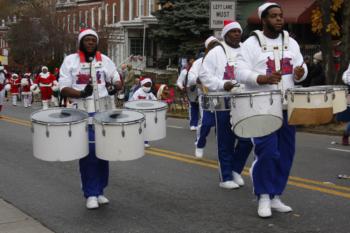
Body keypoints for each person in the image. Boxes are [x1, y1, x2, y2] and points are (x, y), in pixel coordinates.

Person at [235, 2, 307, 218]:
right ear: (263, 19)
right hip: (262, 107)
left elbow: (300, 71)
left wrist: (300, 73)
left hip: (287, 106)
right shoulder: (250, 44)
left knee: (286, 152)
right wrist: (261, 78)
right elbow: (238, 72)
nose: (279, 19)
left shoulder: (291, 43)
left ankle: (276, 195)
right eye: (274, 16)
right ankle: (263, 195)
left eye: (280, 15)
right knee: (267, 152)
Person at [59, 28, 122, 209]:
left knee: (104, 153)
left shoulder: (105, 60)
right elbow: (63, 87)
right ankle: (90, 193)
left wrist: (115, 86)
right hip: (83, 113)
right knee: (89, 154)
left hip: (104, 113)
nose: (90, 43)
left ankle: (100, 190)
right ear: (81, 42)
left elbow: (117, 79)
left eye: (93, 40)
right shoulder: (70, 61)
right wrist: (80, 92)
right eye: (86, 40)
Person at [199, 20, 253, 189]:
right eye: (233, 32)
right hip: (223, 102)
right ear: (225, 35)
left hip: (244, 101)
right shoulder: (216, 52)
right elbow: (204, 76)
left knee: (248, 139)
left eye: (239, 31)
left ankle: (236, 169)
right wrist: (224, 84)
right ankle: (226, 177)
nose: (237, 34)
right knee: (226, 141)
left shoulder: (247, 50)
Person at [194, 36, 219, 158]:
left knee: (222, 127)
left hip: (223, 97)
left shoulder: (224, 58)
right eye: (212, 45)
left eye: (217, 44)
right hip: (207, 97)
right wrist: (199, 80)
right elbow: (192, 78)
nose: (215, 47)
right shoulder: (200, 62)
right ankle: (200, 143)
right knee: (207, 124)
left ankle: (221, 150)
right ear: (207, 48)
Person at [130, 77, 157, 148]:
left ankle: (145, 141)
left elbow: (155, 101)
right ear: (142, 85)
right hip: (138, 112)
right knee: (138, 127)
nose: (147, 87)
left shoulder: (150, 93)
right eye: (146, 85)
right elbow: (132, 101)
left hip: (147, 113)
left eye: (149, 86)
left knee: (146, 127)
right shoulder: (138, 92)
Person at [176, 57, 199, 130]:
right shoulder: (184, 72)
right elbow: (179, 82)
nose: (192, 63)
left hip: (199, 90)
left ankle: (199, 123)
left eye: (194, 61)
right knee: (193, 107)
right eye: (191, 61)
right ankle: (193, 124)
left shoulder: (199, 71)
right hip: (190, 91)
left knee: (200, 108)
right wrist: (182, 87)